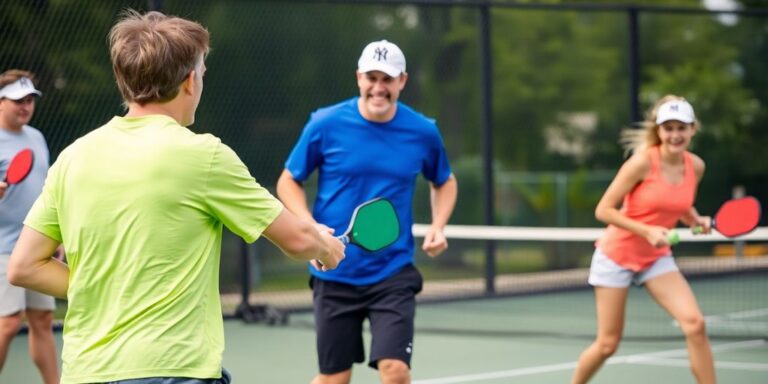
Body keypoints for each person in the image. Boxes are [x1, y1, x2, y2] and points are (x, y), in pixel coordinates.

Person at [7, 10, 345, 384]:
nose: (201, 81)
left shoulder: (73, 157)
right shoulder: (204, 156)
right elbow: (298, 240)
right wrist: (325, 248)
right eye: (201, 72)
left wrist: (102, 287)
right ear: (188, 82)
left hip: (86, 371)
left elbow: (24, 266)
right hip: (172, 370)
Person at [277, 39, 458, 384]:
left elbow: (445, 181)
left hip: (392, 273)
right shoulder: (324, 124)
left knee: (395, 370)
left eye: (387, 79)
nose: (378, 88)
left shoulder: (423, 132)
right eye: (371, 78)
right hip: (333, 269)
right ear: (359, 77)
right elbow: (288, 181)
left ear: (402, 81)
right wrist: (310, 226)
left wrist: (439, 224)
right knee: (334, 378)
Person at [571, 95, 716, 384]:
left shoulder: (696, 167)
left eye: (682, 128)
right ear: (659, 131)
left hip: (655, 259)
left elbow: (677, 203)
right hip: (616, 256)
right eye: (669, 128)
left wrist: (695, 220)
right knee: (607, 344)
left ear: (693, 129)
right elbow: (604, 210)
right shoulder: (641, 164)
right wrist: (647, 231)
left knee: (695, 325)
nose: (675, 135)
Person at [0, 69, 59, 384]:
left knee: (42, 319)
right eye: (17, 101)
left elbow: (47, 190)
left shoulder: (36, 137)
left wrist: (56, 235)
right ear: (0, 103)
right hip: (2, 247)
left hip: (36, 244)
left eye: (30, 100)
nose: (25, 106)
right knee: (8, 323)